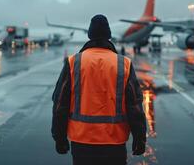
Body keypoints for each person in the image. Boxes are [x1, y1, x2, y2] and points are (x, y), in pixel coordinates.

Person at [51, 14, 146, 165]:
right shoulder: (123, 64)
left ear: (89, 35)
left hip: (82, 141)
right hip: (114, 143)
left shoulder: (73, 62)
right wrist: (140, 137)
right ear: (109, 36)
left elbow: (60, 103)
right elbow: (134, 105)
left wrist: (59, 136)